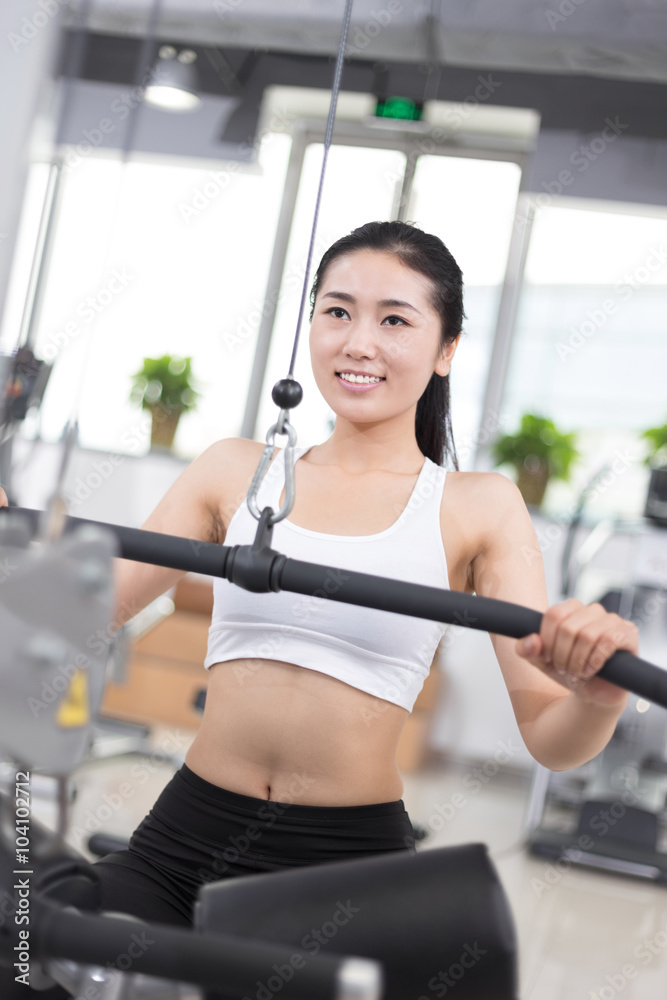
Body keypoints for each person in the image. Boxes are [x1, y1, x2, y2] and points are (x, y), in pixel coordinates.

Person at [0, 220, 638, 938]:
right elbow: (75, 620)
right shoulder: (233, 469)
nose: (357, 342)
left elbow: (552, 738)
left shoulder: (477, 506)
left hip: (344, 867)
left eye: (394, 319)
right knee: (37, 958)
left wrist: (595, 696)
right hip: (182, 842)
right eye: (336, 311)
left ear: (446, 349)